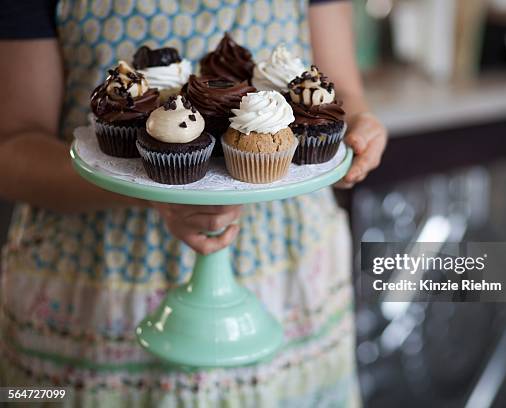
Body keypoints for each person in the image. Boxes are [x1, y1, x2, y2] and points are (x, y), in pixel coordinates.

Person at [0, 0, 387, 406]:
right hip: (97, 291)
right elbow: (11, 149)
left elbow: (338, 92)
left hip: (288, 282)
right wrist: (149, 183)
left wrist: (360, 121)